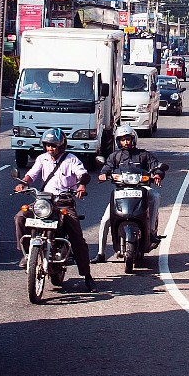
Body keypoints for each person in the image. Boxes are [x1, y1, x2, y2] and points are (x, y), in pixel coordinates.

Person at [13, 129, 93, 289]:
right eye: (48, 145)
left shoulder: (71, 159)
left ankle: (87, 275)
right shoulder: (42, 159)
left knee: (76, 235)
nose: (51, 148)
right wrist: (23, 183)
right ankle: (28, 253)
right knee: (21, 217)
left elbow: (81, 174)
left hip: (64, 201)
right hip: (44, 200)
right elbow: (32, 174)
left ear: (61, 146)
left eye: (54, 145)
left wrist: (82, 184)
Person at [95, 124, 168, 258]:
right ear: (118, 141)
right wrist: (103, 174)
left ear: (133, 139)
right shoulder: (115, 157)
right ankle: (101, 253)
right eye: (122, 139)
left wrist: (158, 174)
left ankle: (151, 231)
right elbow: (106, 168)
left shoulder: (143, 155)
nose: (126, 142)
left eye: (128, 139)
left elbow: (156, 165)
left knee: (156, 195)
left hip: (142, 188)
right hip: (121, 191)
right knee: (105, 220)